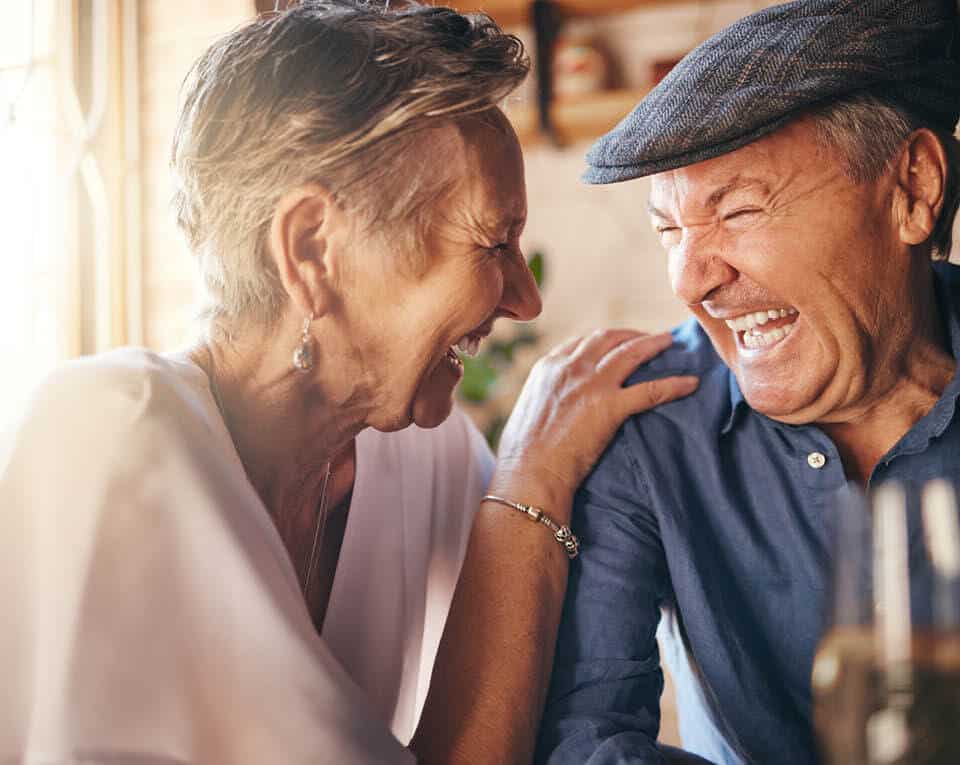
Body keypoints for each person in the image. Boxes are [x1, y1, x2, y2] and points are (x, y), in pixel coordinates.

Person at [0, 2, 698, 763]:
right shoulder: (108, 428)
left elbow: (546, 685)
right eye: (494, 241)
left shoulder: (421, 455)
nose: (523, 298)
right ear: (312, 250)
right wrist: (531, 474)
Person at [534, 0, 960, 763]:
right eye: (669, 229)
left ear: (913, 190)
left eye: (738, 211)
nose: (691, 280)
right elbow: (586, 742)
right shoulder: (647, 423)